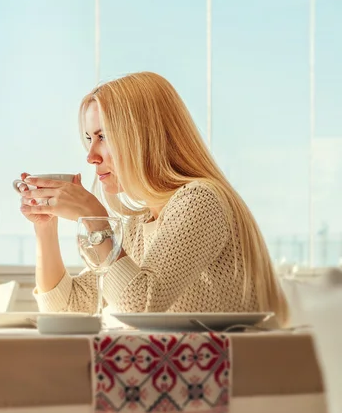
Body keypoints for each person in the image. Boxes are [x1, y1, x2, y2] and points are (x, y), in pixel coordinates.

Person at [17, 72, 288, 326]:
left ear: (145, 136)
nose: (91, 156)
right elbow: (67, 308)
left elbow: (141, 309)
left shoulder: (201, 199)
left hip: (232, 371)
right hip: (188, 369)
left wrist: (95, 218)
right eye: (89, 138)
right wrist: (45, 226)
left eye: (104, 136)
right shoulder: (140, 224)